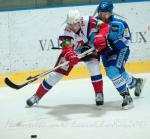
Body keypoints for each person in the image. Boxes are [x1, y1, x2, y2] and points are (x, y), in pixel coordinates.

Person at [26, 9, 110, 107]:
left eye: (74, 24)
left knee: (94, 68)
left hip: (89, 48)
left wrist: (101, 36)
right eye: (70, 24)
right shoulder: (64, 31)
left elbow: (105, 26)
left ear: (80, 22)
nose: (72, 27)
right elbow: (66, 48)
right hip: (73, 51)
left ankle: (99, 94)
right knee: (55, 75)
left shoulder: (89, 20)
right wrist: (71, 56)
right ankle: (37, 96)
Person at [94, 1, 145, 109]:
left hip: (120, 50)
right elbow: (90, 38)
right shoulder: (94, 23)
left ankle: (126, 97)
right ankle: (136, 82)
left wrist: (114, 44)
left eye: (105, 13)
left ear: (111, 12)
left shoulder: (120, 23)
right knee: (119, 71)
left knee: (112, 71)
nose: (102, 15)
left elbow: (126, 41)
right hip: (105, 52)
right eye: (100, 12)